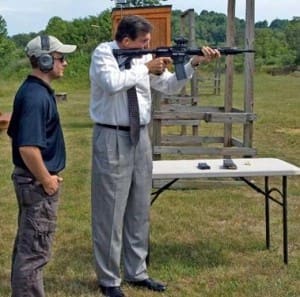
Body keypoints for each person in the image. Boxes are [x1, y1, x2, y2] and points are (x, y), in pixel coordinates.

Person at [89, 15, 220, 297]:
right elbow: (113, 83)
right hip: (112, 135)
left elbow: (170, 86)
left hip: (141, 136)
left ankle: (137, 272)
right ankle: (109, 279)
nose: (149, 46)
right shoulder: (104, 53)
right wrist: (146, 66)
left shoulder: (144, 58)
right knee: (110, 211)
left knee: (139, 208)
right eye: (144, 42)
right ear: (126, 41)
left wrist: (194, 62)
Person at [7, 35, 76, 297]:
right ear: (45, 60)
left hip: (32, 182)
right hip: (37, 184)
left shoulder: (34, 91)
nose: (65, 63)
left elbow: (15, 133)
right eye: (61, 58)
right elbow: (27, 147)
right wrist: (46, 179)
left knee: (29, 245)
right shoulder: (36, 96)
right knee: (35, 251)